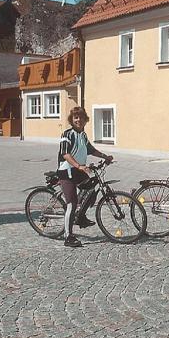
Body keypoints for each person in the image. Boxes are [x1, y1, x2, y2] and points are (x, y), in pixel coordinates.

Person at [57, 106, 113, 247]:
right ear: (72, 119)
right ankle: (68, 237)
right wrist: (79, 166)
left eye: (81, 117)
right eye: (76, 117)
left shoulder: (83, 135)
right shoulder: (67, 134)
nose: (78, 120)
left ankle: (81, 216)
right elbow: (65, 154)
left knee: (92, 190)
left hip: (79, 171)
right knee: (72, 203)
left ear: (85, 120)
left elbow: (90, 149)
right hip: (67, 171)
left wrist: (105, 156)